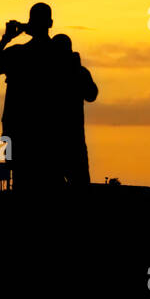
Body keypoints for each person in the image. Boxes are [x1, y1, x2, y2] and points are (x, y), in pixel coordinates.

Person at [0, 2, 60, 193]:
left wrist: (7, 38)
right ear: (50, 23)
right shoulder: (59, 55)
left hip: (18, 131)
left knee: (21, 183)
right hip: (51, 132)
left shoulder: (18, 53)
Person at [52, 33, 98, 189]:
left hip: (58, 140)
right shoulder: (79, 71)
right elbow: (92, 95)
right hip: (71, 139)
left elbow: (91, 95)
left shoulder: (51, 72)